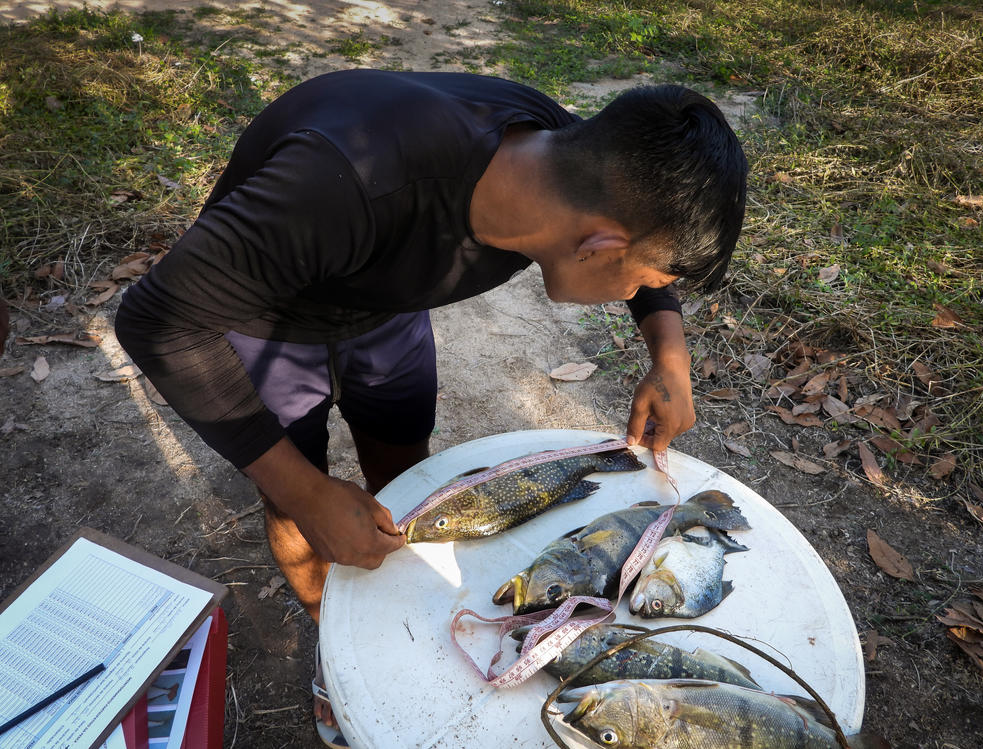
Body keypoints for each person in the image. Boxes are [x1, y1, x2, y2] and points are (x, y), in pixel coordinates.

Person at [115, 69, 747, 745]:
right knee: (301, 503)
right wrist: (305, 492)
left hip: (385, 302)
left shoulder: (557, 149)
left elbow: (625, 197)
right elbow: (157, 320)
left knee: (404, 483)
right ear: (596, 246)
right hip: (262, 315)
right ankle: (337, 656)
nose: (647, 292)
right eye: (650, 280)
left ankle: (390, 619)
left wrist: (667, 346)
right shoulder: (345, 182)